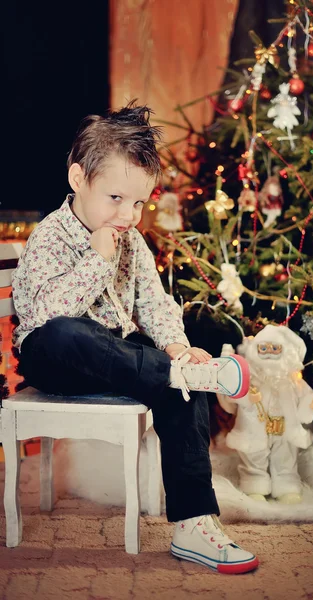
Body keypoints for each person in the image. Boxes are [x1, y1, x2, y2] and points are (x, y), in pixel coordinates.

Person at [12, 102, 259, 574]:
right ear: (78, 180)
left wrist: (175, 345)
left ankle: (194, 522)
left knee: (180, 385)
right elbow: (44, 314)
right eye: (116, 199)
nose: (130, 215)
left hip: (118, 357)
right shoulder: (50, 236)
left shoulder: (133, 242)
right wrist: (96, 259)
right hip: (55, 357)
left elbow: (154, 304)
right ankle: (177, 373)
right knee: (66, 331)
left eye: (140, 203)